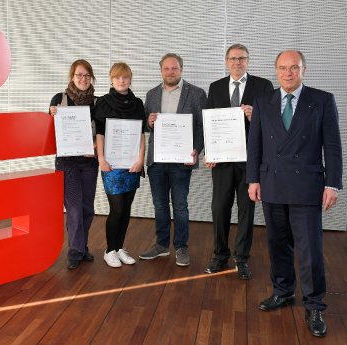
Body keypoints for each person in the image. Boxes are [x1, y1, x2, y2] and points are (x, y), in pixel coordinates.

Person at [247, 50, 342, 338]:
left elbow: (333, 145)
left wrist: (332, 183)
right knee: (277, 244)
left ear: (304, 69)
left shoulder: (322, 100)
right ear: (276, 71)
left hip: (307, 186)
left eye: (293, 68)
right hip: (272, 183)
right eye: (282, 68)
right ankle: (283, 291)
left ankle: (314, 304)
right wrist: (253, 179)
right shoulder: (264, 102)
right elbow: (255, 145)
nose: (287, 73)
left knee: (309, 249)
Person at [204, 44, 274, 279]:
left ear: (248, 60)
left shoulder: (263, 86)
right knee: (219, 208)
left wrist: (257, 116)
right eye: (233, 58)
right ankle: (219, 255)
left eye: (241, 58)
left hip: (251, 161)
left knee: (246, 210)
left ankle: (242, 259)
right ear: (226, 61)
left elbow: (273, 124)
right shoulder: (215, 87)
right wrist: (209, 151)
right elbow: (209, 124)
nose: (237, 62)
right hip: (222, 161)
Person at [138, 53, 207, 266]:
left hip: (181, 160)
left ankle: (181, 247)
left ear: (181, 69)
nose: (170, 72)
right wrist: (148, 123)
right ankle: (161, 246)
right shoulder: (151, 95)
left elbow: (203, 126)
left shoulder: (196, 93)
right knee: (159, 205)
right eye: (167, 69)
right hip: (157, 161)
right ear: (161, 71)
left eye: (174, 68)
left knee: (180, 205)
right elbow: (145, 127)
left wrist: (197, 149)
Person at [94, 62, 146, 268]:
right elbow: (100, 133)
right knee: (116, 208)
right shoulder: (104, 102)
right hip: (112, 165)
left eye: (124, 77)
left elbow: (141, 135)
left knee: (126, 208)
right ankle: (109, 250)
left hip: (132, 164)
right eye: (117, 77)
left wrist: (140, 160)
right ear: (111, 79)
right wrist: (101, 159)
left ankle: (120, 248)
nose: (121, 80)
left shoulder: (137, 103)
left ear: (130, 79)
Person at [49, 59, 99, 270]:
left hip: (89, 162)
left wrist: (97, 148)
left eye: (87, 75)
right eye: (79, 75)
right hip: (67, 163)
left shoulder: (97, 103)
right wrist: (49, 115)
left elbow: (102, 132)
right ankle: (75, 251)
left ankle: (82, 246)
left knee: (87, 208)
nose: (83, 79)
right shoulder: (58, 100)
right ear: (72, 77)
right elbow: (50, 132)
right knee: (74, 209)